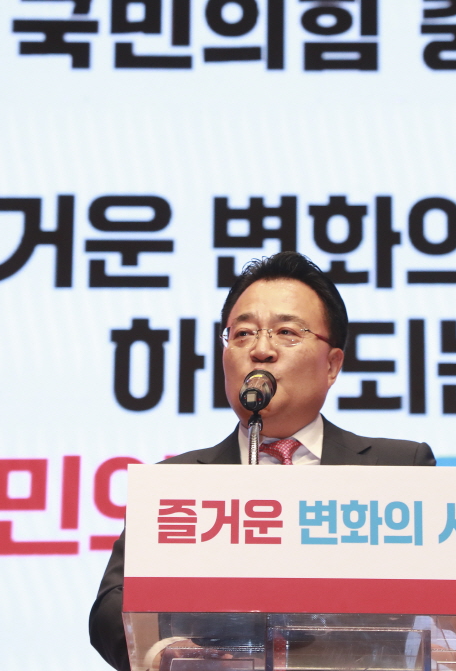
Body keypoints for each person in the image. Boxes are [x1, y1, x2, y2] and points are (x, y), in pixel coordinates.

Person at [89, 251, 436, 669]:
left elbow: (442, 603)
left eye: (287, 332)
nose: (261, 350)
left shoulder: (399, 468)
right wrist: (166, 652)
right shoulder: (174, 483)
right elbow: (112, 606)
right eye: (243, 334)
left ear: (332, 365)